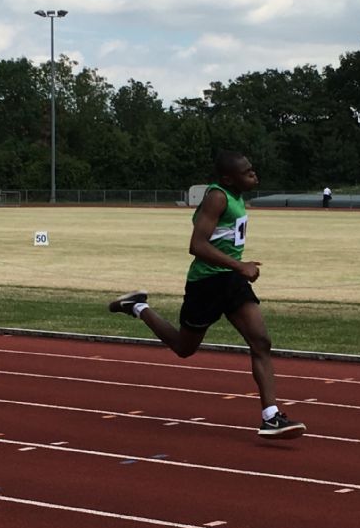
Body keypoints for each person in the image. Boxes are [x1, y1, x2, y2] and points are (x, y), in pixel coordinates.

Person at [106, 151, 304, 439]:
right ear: (227, 178)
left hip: (232, 282)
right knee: (184, 348)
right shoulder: (218, 197)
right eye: (247, 171)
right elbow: (197, 245)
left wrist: (238, 269)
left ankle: (271, 416)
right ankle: (137, 306)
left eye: (252, 170)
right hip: (207, 283)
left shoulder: (236, 196)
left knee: (261, 341)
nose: (254, 174)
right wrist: (240, 265)